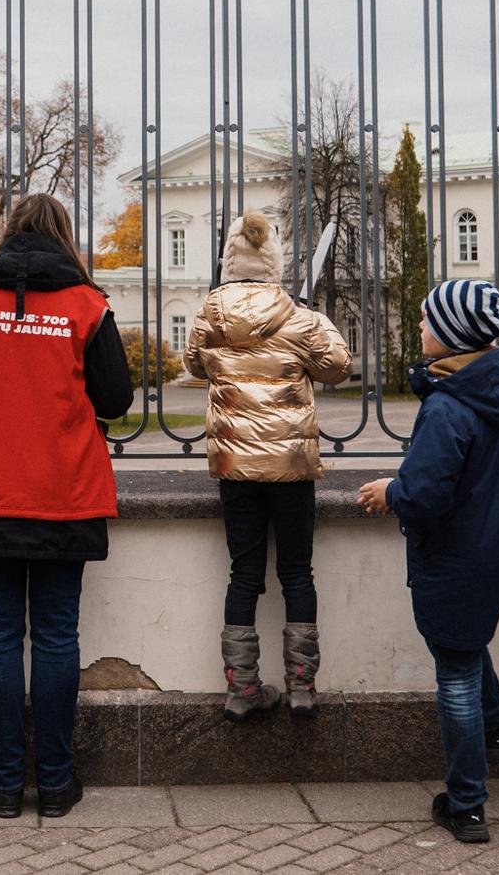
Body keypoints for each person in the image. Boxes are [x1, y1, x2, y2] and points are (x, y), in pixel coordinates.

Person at [0, 193, 134, 819]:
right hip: (63, 492)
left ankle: (3, 785)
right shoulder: (87, 306)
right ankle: (57, 784)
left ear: (11, 236)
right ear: (65, 238)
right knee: (55, 636)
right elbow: (118, 397)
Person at [356, 280, 499, 845]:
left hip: (455, 553)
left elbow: (427, 493)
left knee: (454, 669)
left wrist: (391, 490)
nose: (421, 328)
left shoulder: (449, 407)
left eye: (429, 321)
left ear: (454, 338)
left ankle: (467, 804)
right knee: (467, 639)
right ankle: (496, 729)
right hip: (496, 546)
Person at [186, 209, 351, 722]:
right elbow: (337, 369)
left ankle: (241, 688)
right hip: (292, 465)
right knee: (297, 573)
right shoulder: (298, 315)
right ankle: (302, 686)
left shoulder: (211, 312)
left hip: (235, 465)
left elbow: (195, 365)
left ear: (229, 256)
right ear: (273, 259)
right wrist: (312, 319)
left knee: (244, 574)